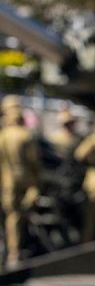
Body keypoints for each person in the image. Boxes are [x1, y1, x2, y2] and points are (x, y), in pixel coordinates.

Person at [0, 95, 41, 269]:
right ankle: (15, 252)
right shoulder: (26, 136)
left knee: (11, 215)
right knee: (19, 215)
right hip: (26, 179)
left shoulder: (3, 136)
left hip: (7, 180)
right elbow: (35, 161)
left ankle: (12, 250)